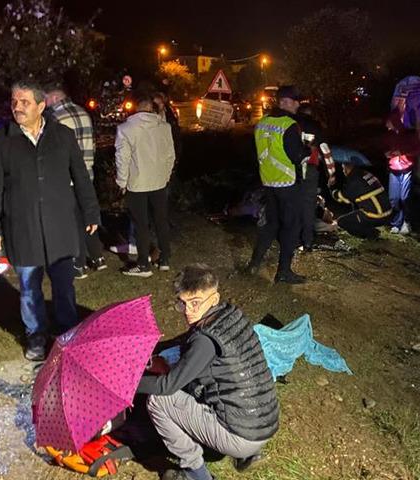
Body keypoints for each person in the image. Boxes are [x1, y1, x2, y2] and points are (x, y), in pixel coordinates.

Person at [0, 81, 100, 361]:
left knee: (63, 285)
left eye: (24, 102)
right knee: (28, 287)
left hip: (60, 225)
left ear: (40, 106)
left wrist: (91, 211)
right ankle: (36, 335)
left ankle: (67, 333)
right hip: (23, 227)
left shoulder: (63, 135)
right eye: (14, 101)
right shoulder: (2, 140)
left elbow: (81, 177)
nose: (17, 107)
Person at [136, 264, 279, 480]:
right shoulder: (230, 315)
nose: (188, 311)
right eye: (183, 303)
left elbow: (167, 386)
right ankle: (246, 455)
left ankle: (197, 472)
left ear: (214, 298)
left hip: (243, 435)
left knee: (158, 401)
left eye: (195, 303)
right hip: (265, 421)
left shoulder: (205, 341)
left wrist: (130, 384)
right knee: (196, 380)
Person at [246, 86, 310, 284]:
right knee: (291, 227)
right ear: (286, 102)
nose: (298, 105)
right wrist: (307, 150)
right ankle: (283, 272)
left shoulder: (262, 123)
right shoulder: (289, 125)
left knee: (271, 224)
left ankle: (254, 264)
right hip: (288, 183)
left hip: (268, 181)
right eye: (296, 101)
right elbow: (296, 156)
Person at [44, 85, 106, 277]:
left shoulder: (55, 118)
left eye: (45, 98)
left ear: (54, 97)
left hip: (66, 176)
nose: (44, 103)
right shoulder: (83, 112)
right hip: (86, 173)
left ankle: (78, 263)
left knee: (73, 221)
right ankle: (97, 256)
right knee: (88, 215)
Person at [115, 90, 176, 277]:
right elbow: (170, 155)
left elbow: (122, 158)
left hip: (137, 183)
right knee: (161, 220)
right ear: (151, 107)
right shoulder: (164, 127)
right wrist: (165, 176)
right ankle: (164, 259)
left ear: (136, 107)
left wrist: (122, 182)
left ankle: (143, 265)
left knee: (141, 224)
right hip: (159, 181)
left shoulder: (126, 129)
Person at [295, 104, 336, 251]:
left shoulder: (292, 124)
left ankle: (293, 238)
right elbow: (325, 151)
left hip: (292, 170)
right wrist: (331, 173)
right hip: (310, 171)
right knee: (308, 207)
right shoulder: (315, 127)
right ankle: (307, 241)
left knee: (293, 203)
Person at [384, 110, 420, 235]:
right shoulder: (390, 135)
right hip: (393, 169)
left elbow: (417, 150)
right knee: (394, 198)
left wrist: (403, 152)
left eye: (388, 122)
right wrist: (387, 154)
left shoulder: (409, 134)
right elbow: (385, 148)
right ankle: (396, 223)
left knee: (405, 197)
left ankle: (406, 222)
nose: (386, 125)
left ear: (394, 121)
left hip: (406, 169)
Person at [332, 163, 392, 238]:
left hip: (377, 215)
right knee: (355, 203)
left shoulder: (354, 180)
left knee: (342, 222)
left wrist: (332, 187)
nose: (343, 171)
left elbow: (342, 198)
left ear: (346, 169)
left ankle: (372, 234)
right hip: (388, 212)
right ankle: (366, 226)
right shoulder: (365, 173)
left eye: (343, 168)